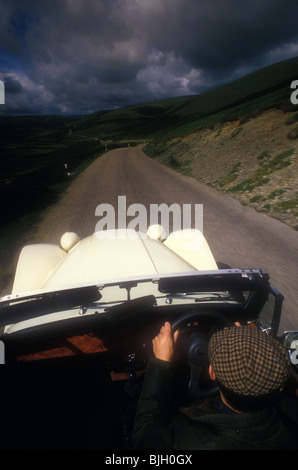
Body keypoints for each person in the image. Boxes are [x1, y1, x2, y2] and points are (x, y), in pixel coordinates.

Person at [133, 322, 298, 450]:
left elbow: (145, 435)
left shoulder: (197, 443)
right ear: (280, 387)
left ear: (211, 373)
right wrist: (250, 340)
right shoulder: (290, 417)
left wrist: (161, 364)